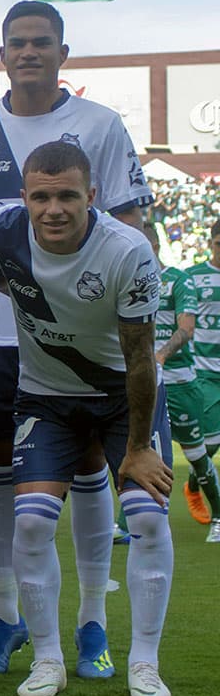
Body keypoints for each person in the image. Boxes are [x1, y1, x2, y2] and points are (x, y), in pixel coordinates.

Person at [0, 0, 153, 677]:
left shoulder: (101, 125)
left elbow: (128, 224)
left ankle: (92, 623)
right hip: (1, 333)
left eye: (40, 42)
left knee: (90, 468)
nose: (27, 52)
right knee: (4, 477)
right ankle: (6, 617)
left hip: (87, 340)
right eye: (16, 43)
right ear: (1, 54)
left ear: (64, 53)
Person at [0, 140, 173, 696]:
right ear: (24, 198)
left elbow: (138, 359)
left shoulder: (127, 250)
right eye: (41, 197)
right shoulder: (1, 229)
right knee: (31, 524)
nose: (53, 209)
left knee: (148, 519)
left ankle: (145, 663)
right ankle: (47, 660)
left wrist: (136, 449)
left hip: (123, 397)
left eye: (66, 196)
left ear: (92, 196)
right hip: (46, 399)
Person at [143, 223, 219, 541]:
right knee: (141, 449)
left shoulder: (176, 279)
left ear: (156, 246)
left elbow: (185, 328)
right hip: (162, 379)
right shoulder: (127, 281)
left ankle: (213, 508)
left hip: (181, 378)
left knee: (200, 450)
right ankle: (125, 523)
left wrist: (160, 355)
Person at [184, 222, 220, 529]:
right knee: (209, 444)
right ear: (212, 242)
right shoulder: (193, 277)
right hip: (206, 373)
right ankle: (194, 486)